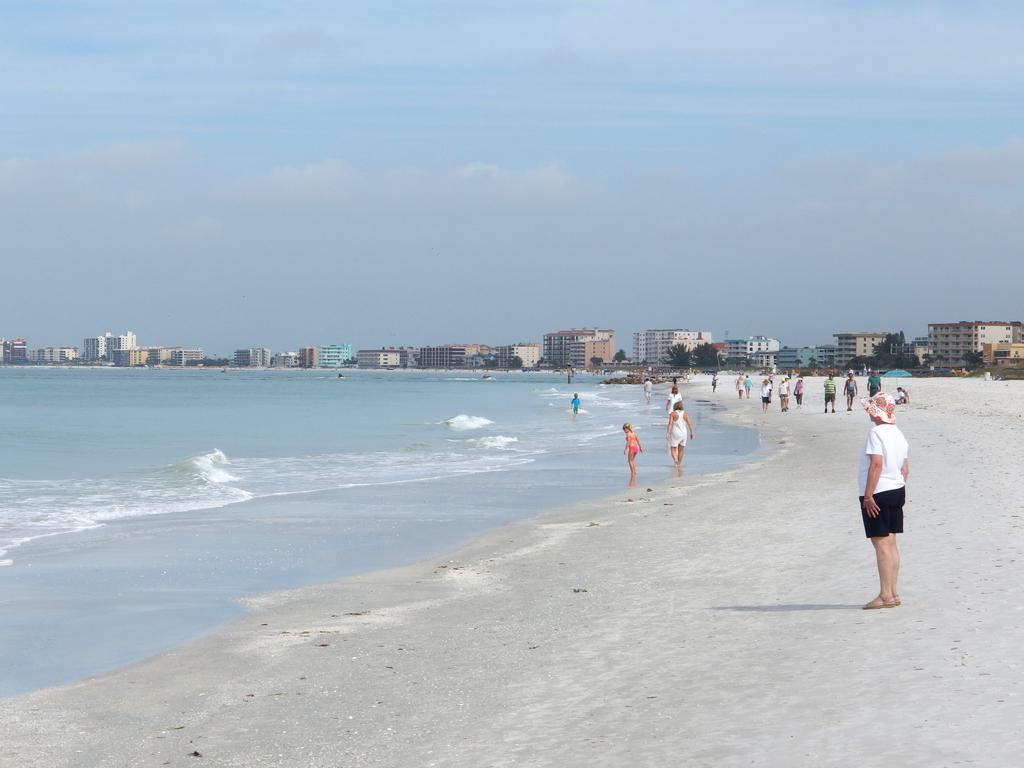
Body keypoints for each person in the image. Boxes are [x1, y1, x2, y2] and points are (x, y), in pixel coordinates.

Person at [858, 392, 910, 610]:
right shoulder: (898, 433)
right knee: (891, 542)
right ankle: (894, 593)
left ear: (876, 413)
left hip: (878, 492)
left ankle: (885, 595)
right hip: (897, 490)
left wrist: (869, 495)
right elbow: (904, 468)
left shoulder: (876, 432)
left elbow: (876, 464)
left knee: (881, 544)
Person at [666, 400, 694, 466]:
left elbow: (670, 424)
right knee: (681, 449)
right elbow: (690, 424)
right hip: (684, 433)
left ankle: (676, 461)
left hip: (675, 433)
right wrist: (691, 433)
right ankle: (679, 463)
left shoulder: (673, 414)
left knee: (673, 448)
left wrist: (668, 433)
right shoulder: (685, 414)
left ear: (675, 406)